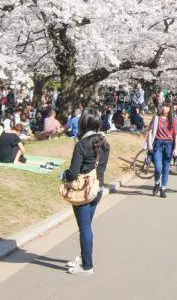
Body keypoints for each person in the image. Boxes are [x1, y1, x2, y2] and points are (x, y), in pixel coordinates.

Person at [62, 109, 110, 276]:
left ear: (83, 123)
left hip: (83, 191)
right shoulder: (105, 143)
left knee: (85, 228)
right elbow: (102, 168)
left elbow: (73, 173)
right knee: (86, 226)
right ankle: (83, 257)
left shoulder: (82, 144)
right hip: (98, 189)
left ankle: (87, 266)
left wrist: (63, 175)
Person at [146, 99, 177, 197]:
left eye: (167, 106)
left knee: (166, 168)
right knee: (158, 168)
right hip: (158, 143)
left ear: (170, 109)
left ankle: (163, 188)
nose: (164, 108)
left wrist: (176, 148)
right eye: (163, 106)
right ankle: (157, 182)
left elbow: (176, 135)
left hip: (169, 144)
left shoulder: (174, 120)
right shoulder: (156, 118)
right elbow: (150, 130)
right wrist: (149, 143)